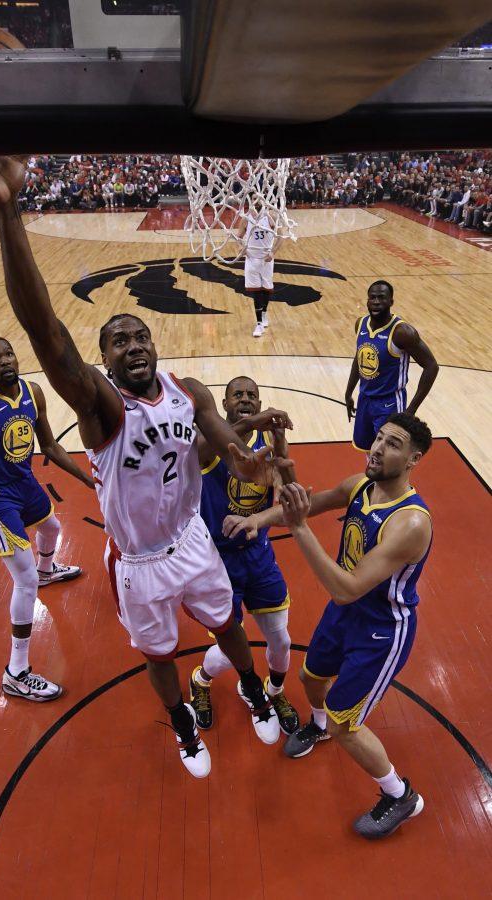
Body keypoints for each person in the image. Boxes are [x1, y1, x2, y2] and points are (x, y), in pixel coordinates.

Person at [0, 155, 292, 778]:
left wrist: (265, 465)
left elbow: (236, 462)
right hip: (138, 562)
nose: (134, 345)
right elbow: (46, 331)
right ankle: (185, 727)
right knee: (159, 655)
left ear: (154, 347)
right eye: (119, 341)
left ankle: (246, 683)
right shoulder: (104, 407)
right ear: (104, 360)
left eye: (141, 337)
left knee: (229, 625)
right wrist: (7, 209)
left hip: (191, 540)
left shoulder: (189, 391)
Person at [237, 413, 432, 838]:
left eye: (393, 444)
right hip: (346, 615)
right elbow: (308, 504)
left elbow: (346, 588)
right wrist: (259, 519)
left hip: (381, 630)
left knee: (348, 723)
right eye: (378, 438)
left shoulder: (411, 523)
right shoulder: (361, 484)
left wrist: (299, 528)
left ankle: (400, 794)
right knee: (310, 677)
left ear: (414, 458)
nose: (378, 447)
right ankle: (319, 727)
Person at [0, 336, 95, 702]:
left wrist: (89, 479)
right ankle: (17, 672)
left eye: (8, 353)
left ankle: (48, 569)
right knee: (23, 580)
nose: (5, 360)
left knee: (53, 527)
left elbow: (51, 446)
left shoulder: (32, 391)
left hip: (23, 482)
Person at [190, 376, 299, 736]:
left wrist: (281, 448)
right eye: (238, 394)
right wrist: (249, 425)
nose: (246, 399)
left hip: (258, 555)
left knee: (281, 641)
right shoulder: (208, 442)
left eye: (253, 395)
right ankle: (201, 680)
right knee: (228, 648)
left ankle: (273, 691)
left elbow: (290, 497)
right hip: (218, 561)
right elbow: (198, 452)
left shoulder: (269, 443)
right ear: (223, 404)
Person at [344, 281, 439, 452]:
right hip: (364, 399)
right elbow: (359, 359)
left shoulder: (402, 332)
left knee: (389, 455)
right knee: (368, 451)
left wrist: (410, 411)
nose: (376, 301)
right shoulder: (361, 324)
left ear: (391, 302)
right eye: (372, 297)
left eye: (381, 298)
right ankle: (373, 480)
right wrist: (348, 392)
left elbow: (432, 366)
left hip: (390, 404)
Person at [236, 210, 282, 338]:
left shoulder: (271, 216)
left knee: (266, 289)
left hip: (266, 259)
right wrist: (240, 247)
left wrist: (273, 252)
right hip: (252, 259)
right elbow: (238, 237)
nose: (256, 204)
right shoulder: (246, 218)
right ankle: (259, 323)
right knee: (256, 291)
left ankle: (264, 313)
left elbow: (280, 237)